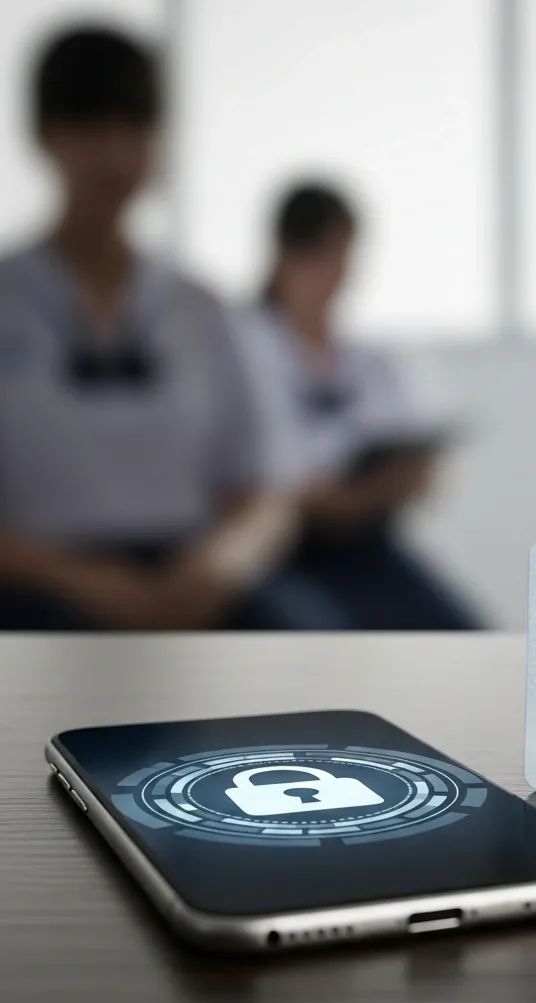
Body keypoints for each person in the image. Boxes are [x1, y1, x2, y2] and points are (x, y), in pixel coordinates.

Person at [0, 26, 300, 630]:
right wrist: (87, 582)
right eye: (89, 127)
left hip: (191, 582)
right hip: (36, 586)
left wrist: (216, 570)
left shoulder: (203, 309)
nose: (114, 154)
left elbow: (265, 492)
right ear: (43, 135)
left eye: (135, 127)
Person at [239, 182, 479, 630]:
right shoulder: (241, 348)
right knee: (329, 646)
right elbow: (260, 484)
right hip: (276, 550)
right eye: (324, 255)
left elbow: (422, 473)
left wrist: (391, 483)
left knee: (466, 635)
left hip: (369, 545)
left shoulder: (371, 360)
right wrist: (318, 499)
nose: (338, 273)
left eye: (345, 256)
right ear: (283, 254)